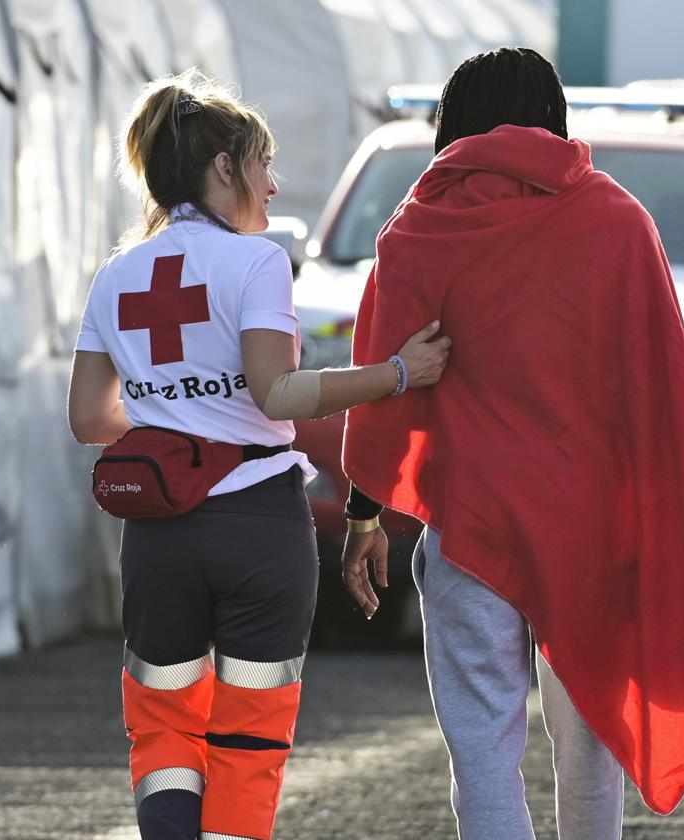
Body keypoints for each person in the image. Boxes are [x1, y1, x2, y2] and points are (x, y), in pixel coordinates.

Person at [339, 48, 684, 839]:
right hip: (593, 531)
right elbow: (658, 392)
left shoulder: (421, 228)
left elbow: (385, 380)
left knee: (483, 753)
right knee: (591, 741)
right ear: (553, 116)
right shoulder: (618, 221)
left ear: (454, 122)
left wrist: (363, 517)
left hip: (471, 524)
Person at [66, 70, 450, 840]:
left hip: (158, 533)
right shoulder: (258, 262)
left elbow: (87, 419)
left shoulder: (117, 273)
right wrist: (399, 374)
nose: (272, 187)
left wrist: (169, 410)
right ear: (222, 169)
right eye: (263, 163)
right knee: (249, 736)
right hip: (256, 524)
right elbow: (278, 394)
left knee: (165, 729)